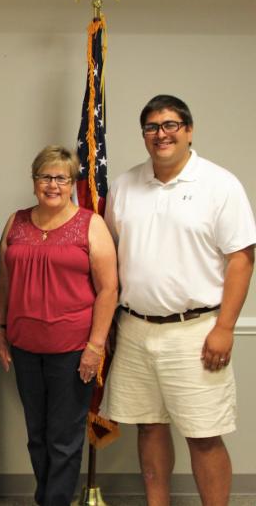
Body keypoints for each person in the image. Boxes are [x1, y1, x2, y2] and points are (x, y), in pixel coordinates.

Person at [101, 95, 256, 505]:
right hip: (134, 329)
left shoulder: (219, 184)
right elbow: (110, 256)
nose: (161, 134)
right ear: (144, 135)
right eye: (152, 127)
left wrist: (225, 328)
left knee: (204, 434)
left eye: (170, 125)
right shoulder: (124, 186)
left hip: (197, 331)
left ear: (188, 130)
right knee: (149, 426)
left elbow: (242, 259)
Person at [0, 146, 118, 506]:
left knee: (63, 438)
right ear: (34, 181)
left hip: (74, 350)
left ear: (72, 183)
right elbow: (3, 280)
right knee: (37, 435)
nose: (53, 185)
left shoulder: (90, 224)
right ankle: (46, 499)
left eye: (61, 178)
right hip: (25, 346)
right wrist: (0, 330)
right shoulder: (16, 222)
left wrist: (95, 346)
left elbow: (108, 289)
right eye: (45, 177)